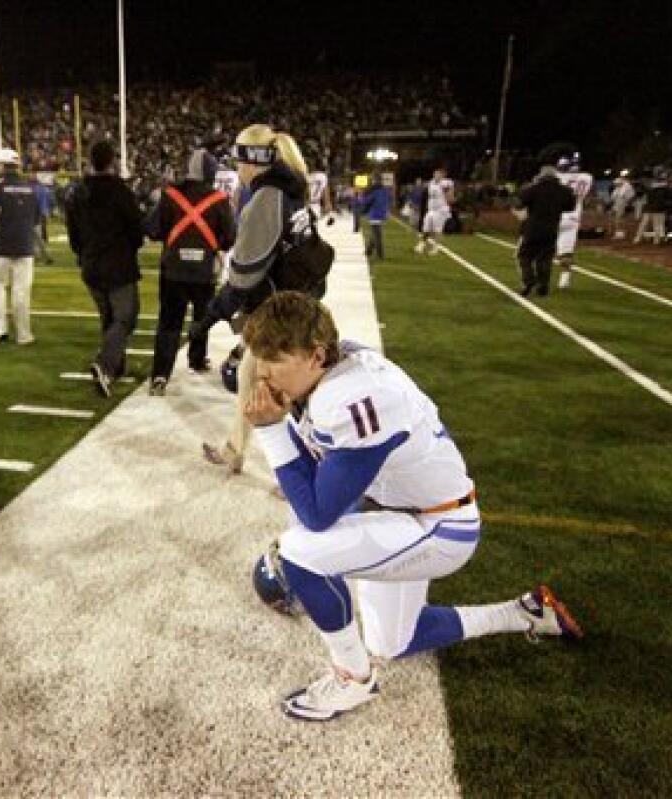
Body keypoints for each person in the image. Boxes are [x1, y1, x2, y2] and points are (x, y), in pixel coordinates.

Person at [242, 291, 582, 722]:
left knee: (300, 550)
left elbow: (318, 513)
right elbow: (321, 474)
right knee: (392, 644)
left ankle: (351, 680)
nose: (264, 372)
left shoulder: (352, 399)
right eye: (261, 357)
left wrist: (272, 431)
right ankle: (526, 612)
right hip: (406, 513)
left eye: (275, 359)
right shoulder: (334, 376)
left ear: (316, 355)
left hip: (439, 526)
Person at [191, 123, 310, 473]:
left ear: (253, 159)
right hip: (291, 301)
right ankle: (235, 449)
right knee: (248, 375)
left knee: (293, 394)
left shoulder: (267, 196)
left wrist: (216, 310)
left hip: (276, 309)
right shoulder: (289, 189)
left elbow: (246, 269)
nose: (235, 167)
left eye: (237, 158)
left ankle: (312, 471)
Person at [145, 148, 236, 396]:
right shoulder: (218, 200)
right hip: (204, 270)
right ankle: (197, 358)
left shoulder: (170, 195)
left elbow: (152, 230)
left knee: (169, 323)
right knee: (201, 316)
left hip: (173, 270)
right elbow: (230, 238)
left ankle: (160, 375)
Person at [66, 140, 144, 396]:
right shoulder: (120, 191)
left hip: (91, 264)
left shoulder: (78, 191)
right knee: (125, 317)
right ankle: (106, 364)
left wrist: (84, 254)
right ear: (112, 161)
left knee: (109, 318)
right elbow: (136, 229)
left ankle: (117, 365)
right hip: (118, 265)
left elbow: (73, 234)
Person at [0, 148, 40, 344]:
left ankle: (1, 329)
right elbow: (36, 218)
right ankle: (24, 334)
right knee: (21, 292)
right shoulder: (30, 188)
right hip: (25, 246)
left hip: (1, 246)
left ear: (2, 166)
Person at [514, 165, 576, 297]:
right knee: (545, 259)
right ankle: (543, 286)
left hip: (533, 228)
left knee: (524, 256)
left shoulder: (533, 189)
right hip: (552, 228)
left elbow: (519, 204)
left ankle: (529, 280)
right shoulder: (563, 190)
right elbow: (570, 207)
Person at [553, 154, 594, 288]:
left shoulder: (557, 177)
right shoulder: (586, 177)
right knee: (566, 252)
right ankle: (565, 278)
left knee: (542, 247)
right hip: (573, 218)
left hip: (556, 216)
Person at [415, 168, 452, 255]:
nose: (436, 176)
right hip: (431, 209)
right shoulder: (431, 182)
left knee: (437, 230)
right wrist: (420, 184)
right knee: (426, 228)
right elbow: (425, 185)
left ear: (443, 176)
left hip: (440, 210)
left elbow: (449, 194)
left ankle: (436, 248)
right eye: (435, 174)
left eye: (438, 174)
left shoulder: (445, 183)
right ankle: (421, 244)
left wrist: (448, 195)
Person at [359, 174, 390, 260]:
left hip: (375, 214)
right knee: (375, 233)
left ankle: (380, 255)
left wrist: (361, 196)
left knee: (377, 235)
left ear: (375, 180)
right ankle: (368, 251)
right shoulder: (385, 190)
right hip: (382, 213)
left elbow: (366, 201)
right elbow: (387, 200)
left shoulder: (374, 190)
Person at [608, 172, 635, 239]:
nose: (616, 185)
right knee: (612, 217)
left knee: (619, 219)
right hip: (616, 203)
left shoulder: (627, 185)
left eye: (617, 184)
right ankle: (615, 231)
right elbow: (613, 197)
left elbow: (631, 196)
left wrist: (627, 204)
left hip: (622, 203)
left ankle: (619, 234)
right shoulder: (618, 187)